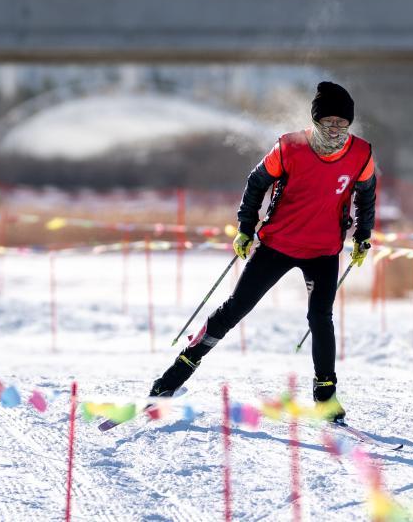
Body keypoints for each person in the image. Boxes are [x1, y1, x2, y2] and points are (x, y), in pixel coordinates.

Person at [149, 81, 376, 421]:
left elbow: (366, 194)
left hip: (324, 250)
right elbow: (256, 184)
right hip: (277, 245)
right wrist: (244, 227)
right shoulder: (290, 147)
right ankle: (171, 379)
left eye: (342, 124)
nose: (335, 131)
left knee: (320, 318)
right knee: (234, 310)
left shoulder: (361, 154)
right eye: (328, 123)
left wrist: (362, 235)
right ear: (315, 122)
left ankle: (326, 398)